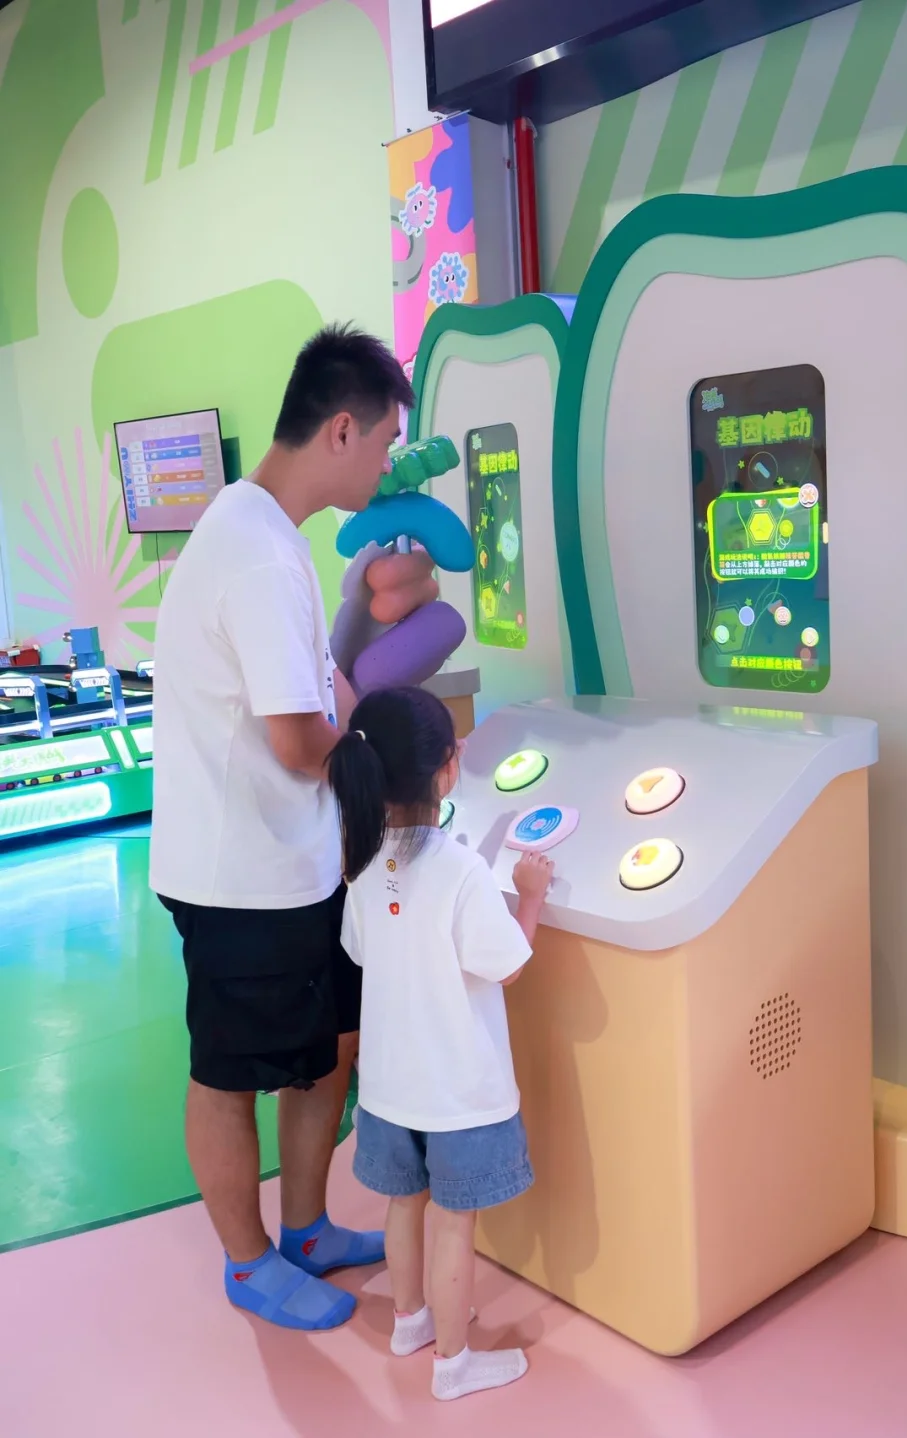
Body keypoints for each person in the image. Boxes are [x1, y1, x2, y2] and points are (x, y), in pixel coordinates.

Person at [150, 325, 437, 1331]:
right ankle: (248, 1260)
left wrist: (375, 725)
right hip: (238, 874)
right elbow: (296, 740)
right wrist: (378, 765)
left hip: (295, 860)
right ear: (342, 429)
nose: (388, 464)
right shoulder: (260, 555)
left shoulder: (263, 531)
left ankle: (307, 1228)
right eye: (386, 442)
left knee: (328, 1050)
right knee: (230, 1074)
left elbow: (320, 692)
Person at [327, 686, 554, 1401]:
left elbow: (360, 950)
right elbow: (507, 964)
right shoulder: (461, 871)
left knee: (405, 1207)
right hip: (458, 1095)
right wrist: (531, 896)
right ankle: (454, 1364)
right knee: (455, 1225)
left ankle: (410, 1321)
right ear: (447, 770)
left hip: (389, 1090)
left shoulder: (363, 863)